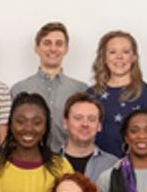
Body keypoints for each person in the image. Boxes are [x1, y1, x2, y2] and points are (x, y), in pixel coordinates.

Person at [11, 22, 89, 153]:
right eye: (47, 43)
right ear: (36, 48)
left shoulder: (81, 90)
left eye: (59, 44)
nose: (53, 49)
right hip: (31, 158)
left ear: (66, 49)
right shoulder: (20, 89)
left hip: (71, 159)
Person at [87, 30, 147, 158]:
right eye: (112, 52)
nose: (119, 57)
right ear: (104, 57)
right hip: (97, 167)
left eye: (125, 52)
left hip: (136, 167)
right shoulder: (91, 95)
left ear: (134, 57)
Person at [60, 92, 118, 181]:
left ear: (99, 126)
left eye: (91, 119)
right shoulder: (49, 163)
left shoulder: (114, 166)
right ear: (65, 123)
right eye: (78, 118)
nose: (85, 124)